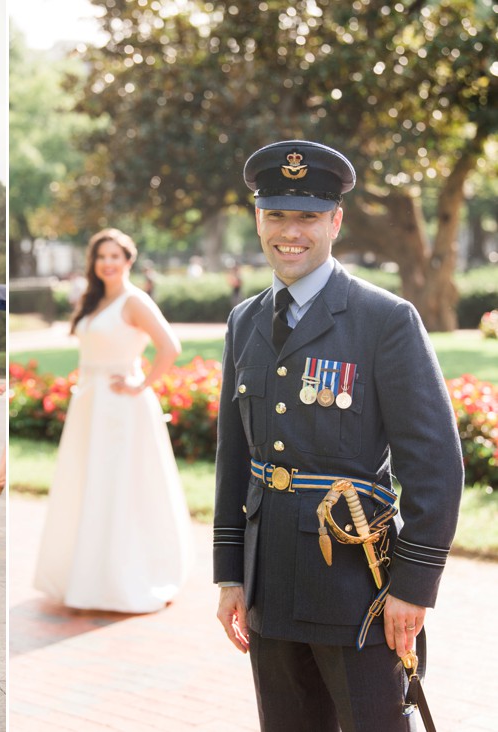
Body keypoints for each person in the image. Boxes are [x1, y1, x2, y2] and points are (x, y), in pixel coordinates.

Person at [213, 140, 464, 731]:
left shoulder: (385, 320)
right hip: (269, 584)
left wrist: (415, 586)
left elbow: (435, 465)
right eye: (276, 214)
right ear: (257, 219)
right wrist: (231, 575)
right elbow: (235, 457)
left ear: (335, 221)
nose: (290, 232)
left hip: (356, 589)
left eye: (307, 216)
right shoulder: (244, 321)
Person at [33, 228, 193, 612]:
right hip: (89, 403)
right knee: (89, 485)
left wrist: (141, 384)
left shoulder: (134, 300)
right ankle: (87, 576)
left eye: (115, 256)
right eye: (101, 256)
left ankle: (126, 577)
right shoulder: (94, 300)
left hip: (121, 407)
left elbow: (170, 347)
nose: (107, 263)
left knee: (121, 487)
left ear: (128, 261)